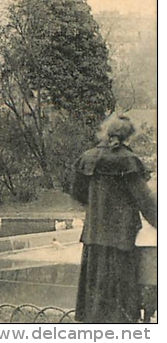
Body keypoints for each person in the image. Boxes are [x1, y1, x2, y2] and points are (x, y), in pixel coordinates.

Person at [72, 115, 157, 323]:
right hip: (121, 240)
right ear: (127, 136)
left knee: (96, 303)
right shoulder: (127, 160)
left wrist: (98, 207)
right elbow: (146, 202)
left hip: (93, 236)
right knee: (120, 307)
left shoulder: (88, 157)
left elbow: (78, 194)